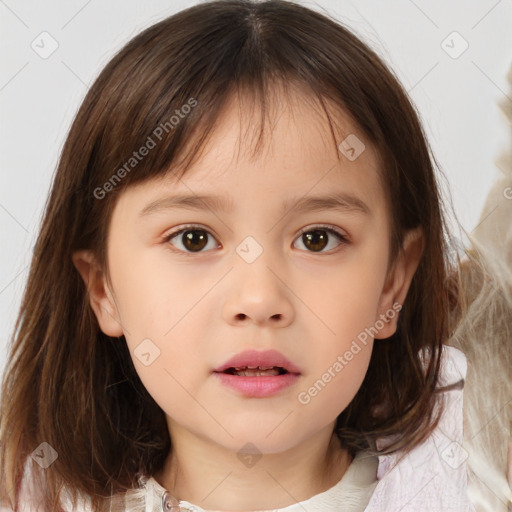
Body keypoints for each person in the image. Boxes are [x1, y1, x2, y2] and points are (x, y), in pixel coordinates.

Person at [0, 0, 509, 510]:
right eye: (193, 239)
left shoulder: (474, 487)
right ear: (102, 288)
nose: (259, 299)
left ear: (392, 284)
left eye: (317, 238)